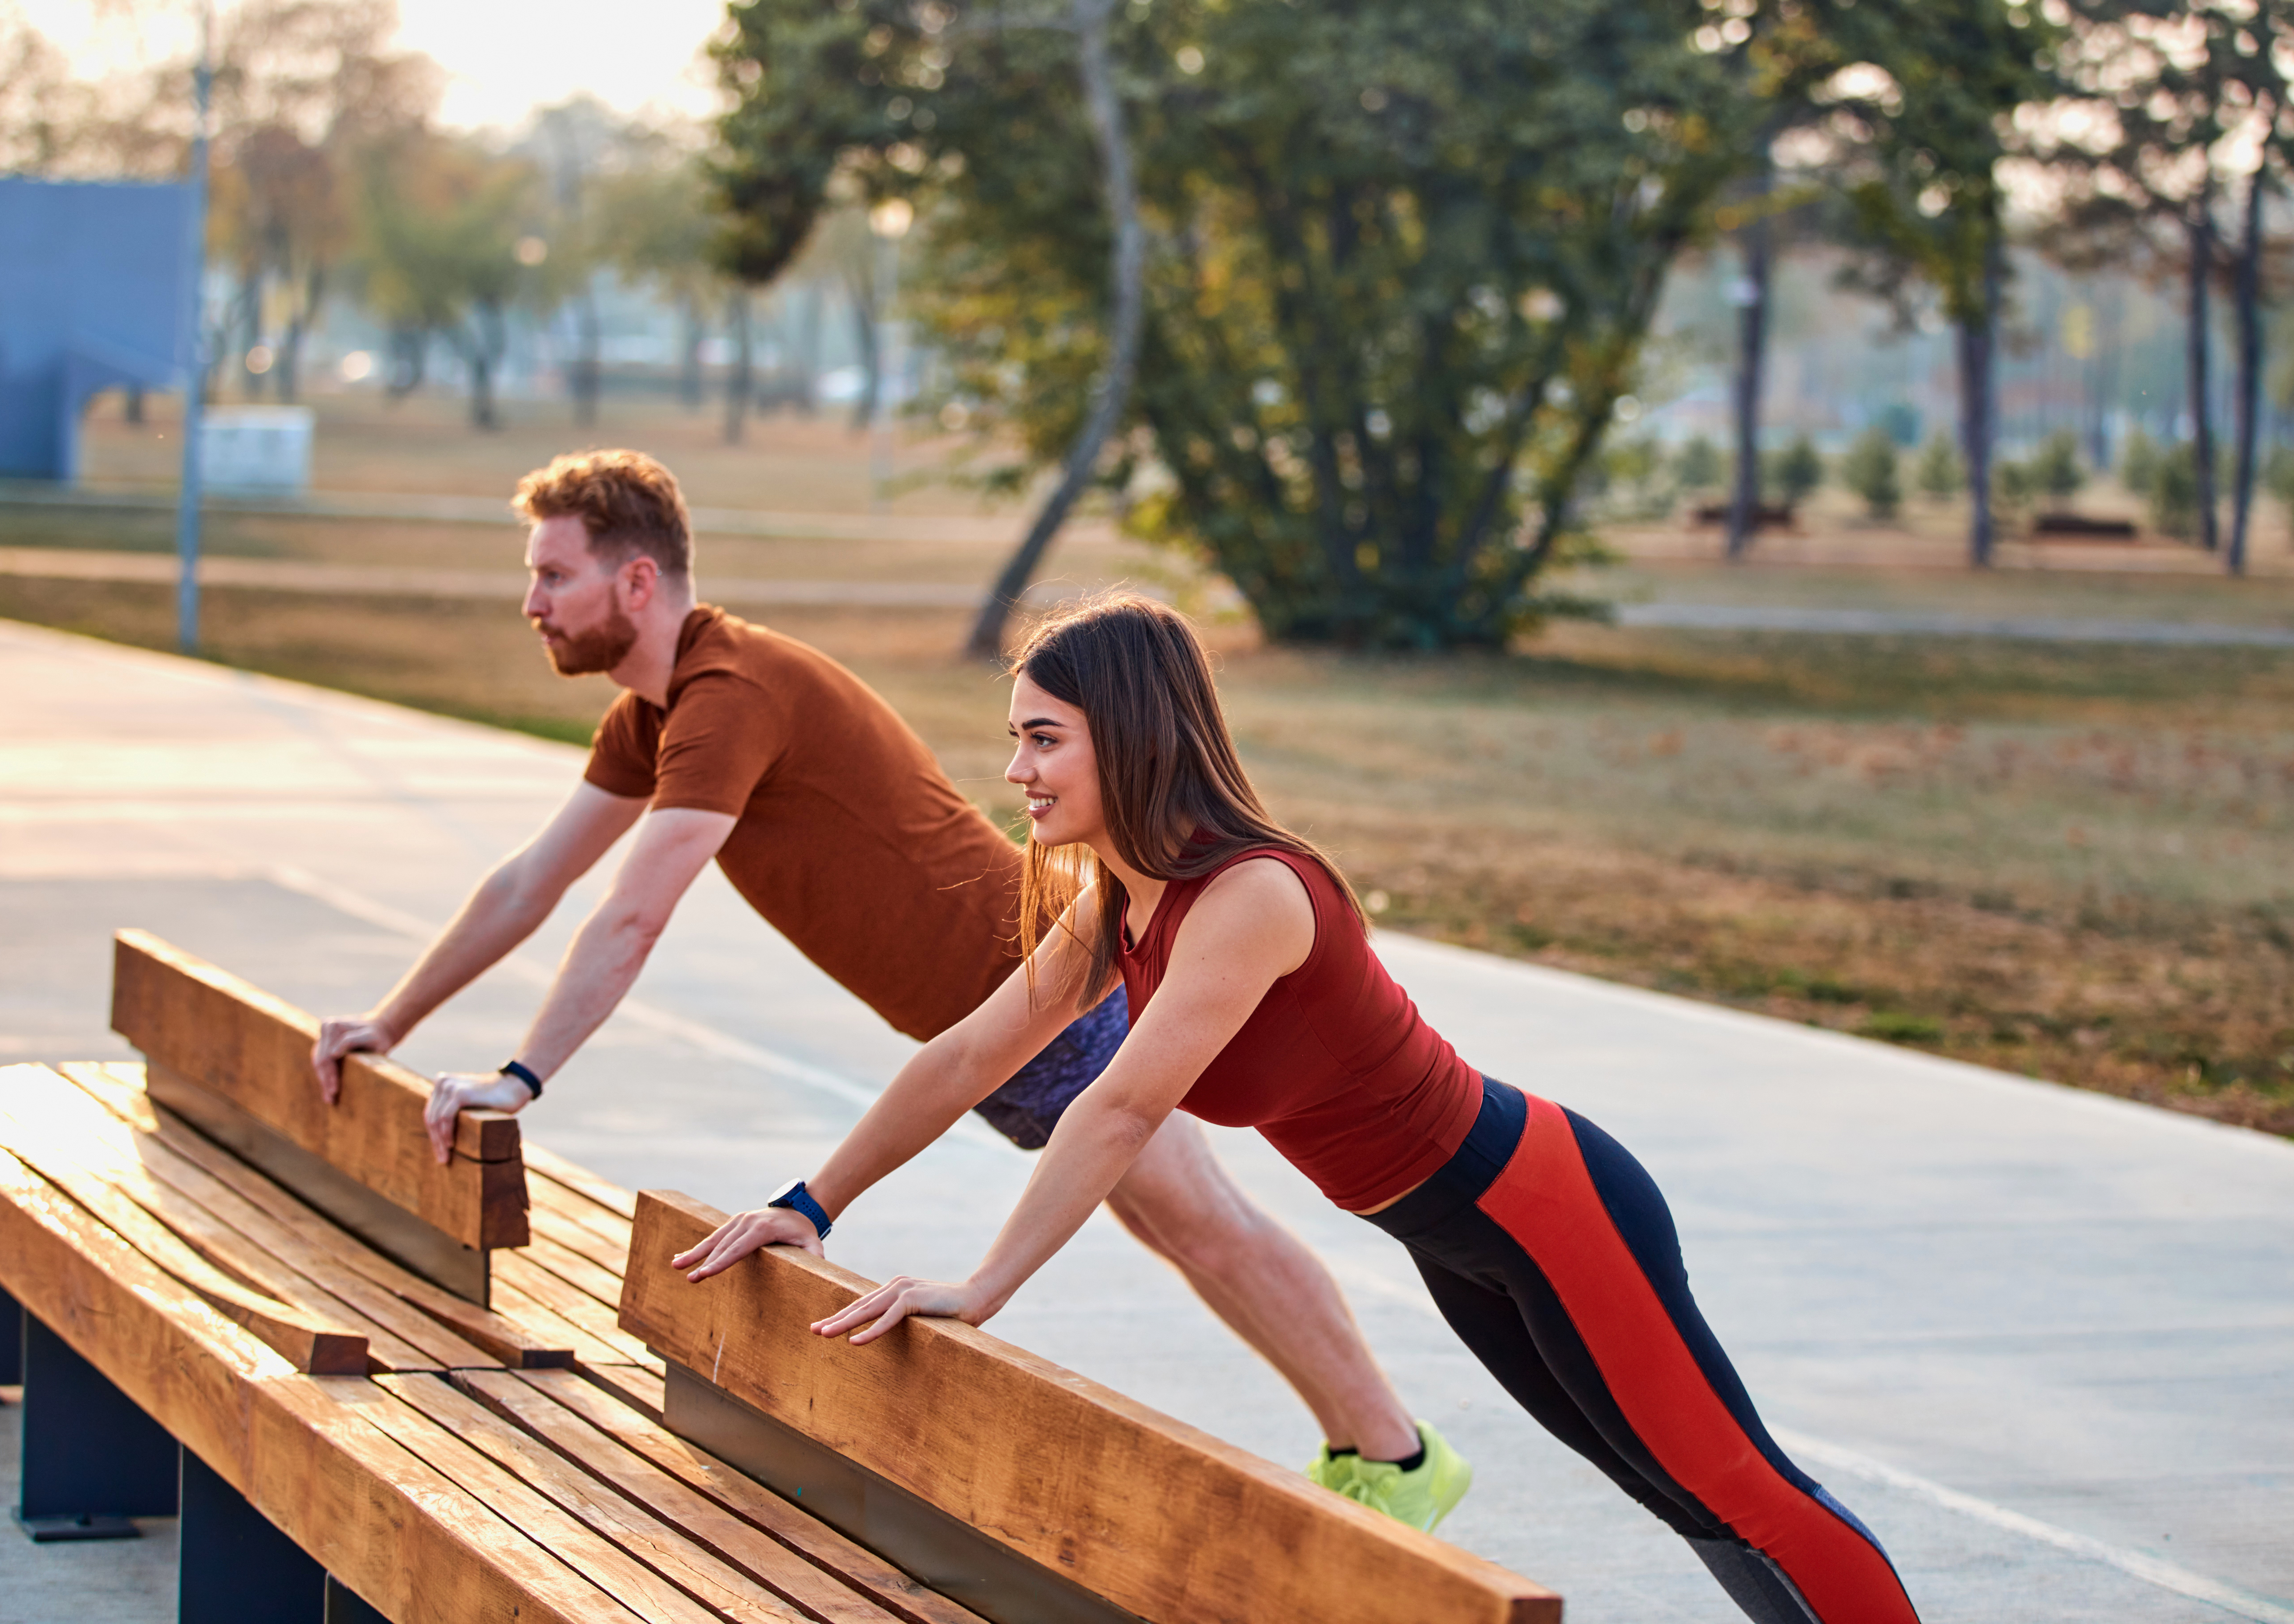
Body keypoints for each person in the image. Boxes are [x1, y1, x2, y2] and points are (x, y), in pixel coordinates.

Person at [674, 593, 1922, 1624]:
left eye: (1045, 738)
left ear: (1131, 735)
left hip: (1548, 1206)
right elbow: (964, 1057)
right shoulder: (1123, 902)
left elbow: (1115, 1111)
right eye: (1018, 738)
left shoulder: (1253, 895)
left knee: (1735, 1484)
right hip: (1458, 1243)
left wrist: (983, 1285)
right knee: (1675, 1490)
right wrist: (808, 1204)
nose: (1016, 771)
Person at [309, 450, 1463, 1530]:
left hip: (1032, 983)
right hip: (976, 1017)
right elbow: (530, 882)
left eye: (554, 576)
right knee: (1191, 1229)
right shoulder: (652, 717)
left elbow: (633, 911)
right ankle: (1379, 1454)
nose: (535, 604)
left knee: (1204, 1227)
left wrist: (522, 1076)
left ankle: (1397, 1463)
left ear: (638, 579)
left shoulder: (730, 692)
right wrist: (393, 1019)